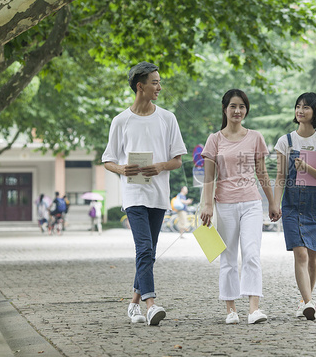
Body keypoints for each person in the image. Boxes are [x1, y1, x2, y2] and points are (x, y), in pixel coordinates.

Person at [102, 61, 187, 326]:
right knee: (145, 248)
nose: (159, 87)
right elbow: (108, 160)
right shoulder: (121, 121)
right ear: (140, 86)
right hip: (134, 195)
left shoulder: (167, 118)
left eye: (159, 82)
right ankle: (151, 305)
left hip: (159, 195)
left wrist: (160, 166)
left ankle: (133, 305)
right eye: (155, 82)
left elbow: (177, 160)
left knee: (148, 253)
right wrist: (121, 169)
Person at [199, 89, 279, 325]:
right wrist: (207, 205)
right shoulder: (214, 139)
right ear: (225, 109)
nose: (237, 111)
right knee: (229, 258)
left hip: (252, 203)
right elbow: (209, 176)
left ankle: (254, 309)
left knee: (252, 254)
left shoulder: (255, 137)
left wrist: (272, 201)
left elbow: (262, 172)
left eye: (242, 106)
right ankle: (231, 309)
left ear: (246, 110)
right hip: (224, 204)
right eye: (233, 106)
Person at [273, 92, 316, 320]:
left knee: (313, 257)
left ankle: (303, 300)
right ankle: (309, 302)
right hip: (291, 204)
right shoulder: (285, 141)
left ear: (315, 112)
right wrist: (275, 203)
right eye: (298, 106)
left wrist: (308, 168)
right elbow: (280, 176)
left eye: (306, 107)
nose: (300, 110)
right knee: (300, 254)